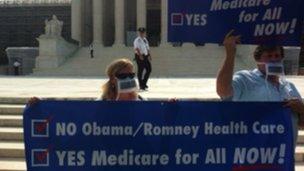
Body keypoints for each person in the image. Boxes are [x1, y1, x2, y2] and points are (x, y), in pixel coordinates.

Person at [216, 30, 304, 145]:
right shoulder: (245, 79)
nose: (273, 60)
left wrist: (301, 110)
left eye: (277, 56)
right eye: (269, 56)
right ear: (258, 60)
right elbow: (223, 91)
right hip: (254, 155)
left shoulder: (289, 87)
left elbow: (301, 124)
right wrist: (230, 52)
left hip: (283, 157)